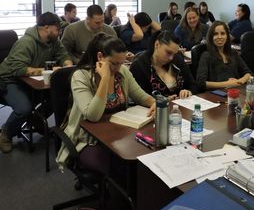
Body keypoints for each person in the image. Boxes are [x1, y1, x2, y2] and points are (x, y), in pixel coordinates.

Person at [56, 33, 155, 174]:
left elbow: (140, 95)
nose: (118, 67)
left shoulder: (122, 71)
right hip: (88, 138)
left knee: (144, 154)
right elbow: (93, 115)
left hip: (119, 132)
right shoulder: (81, 77)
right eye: (114, 63)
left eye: (121, 63)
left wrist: (154, 102)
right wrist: (105, 78)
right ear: (100, 57)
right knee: (119, 164)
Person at [0, 12, 72, 153]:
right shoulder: (26, 43)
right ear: (46, 28)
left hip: (31, 81)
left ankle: (35, 119)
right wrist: (49, 69)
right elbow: (18, 69)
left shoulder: (54, 41)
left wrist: (68, 66)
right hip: (9, 80)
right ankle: (6, 133)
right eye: (57, 28)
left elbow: (64, 56)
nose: (60, 32)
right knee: (24, 109)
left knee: (58, 97)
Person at [130, 30, 197, 98]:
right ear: (157, 45)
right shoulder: (139, 66)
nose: (171, 58)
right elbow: (140, 97)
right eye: (168, 52)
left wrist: (188, 91)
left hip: (180, 105)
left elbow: (193, 85)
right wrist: (163, 101)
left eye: (174, 54)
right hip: (153, 107)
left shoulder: (177, 59)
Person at [196, 21, 251, 91]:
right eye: (215, 34)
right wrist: (227, 84)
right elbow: (201, 83)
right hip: (215, 95)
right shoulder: (206, 56)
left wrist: (238, 82)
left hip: (235, 91)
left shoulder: (233, 53)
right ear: (211, 37)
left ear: (227, 36)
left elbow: (248, 73)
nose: (219, 37)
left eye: (222, 33)